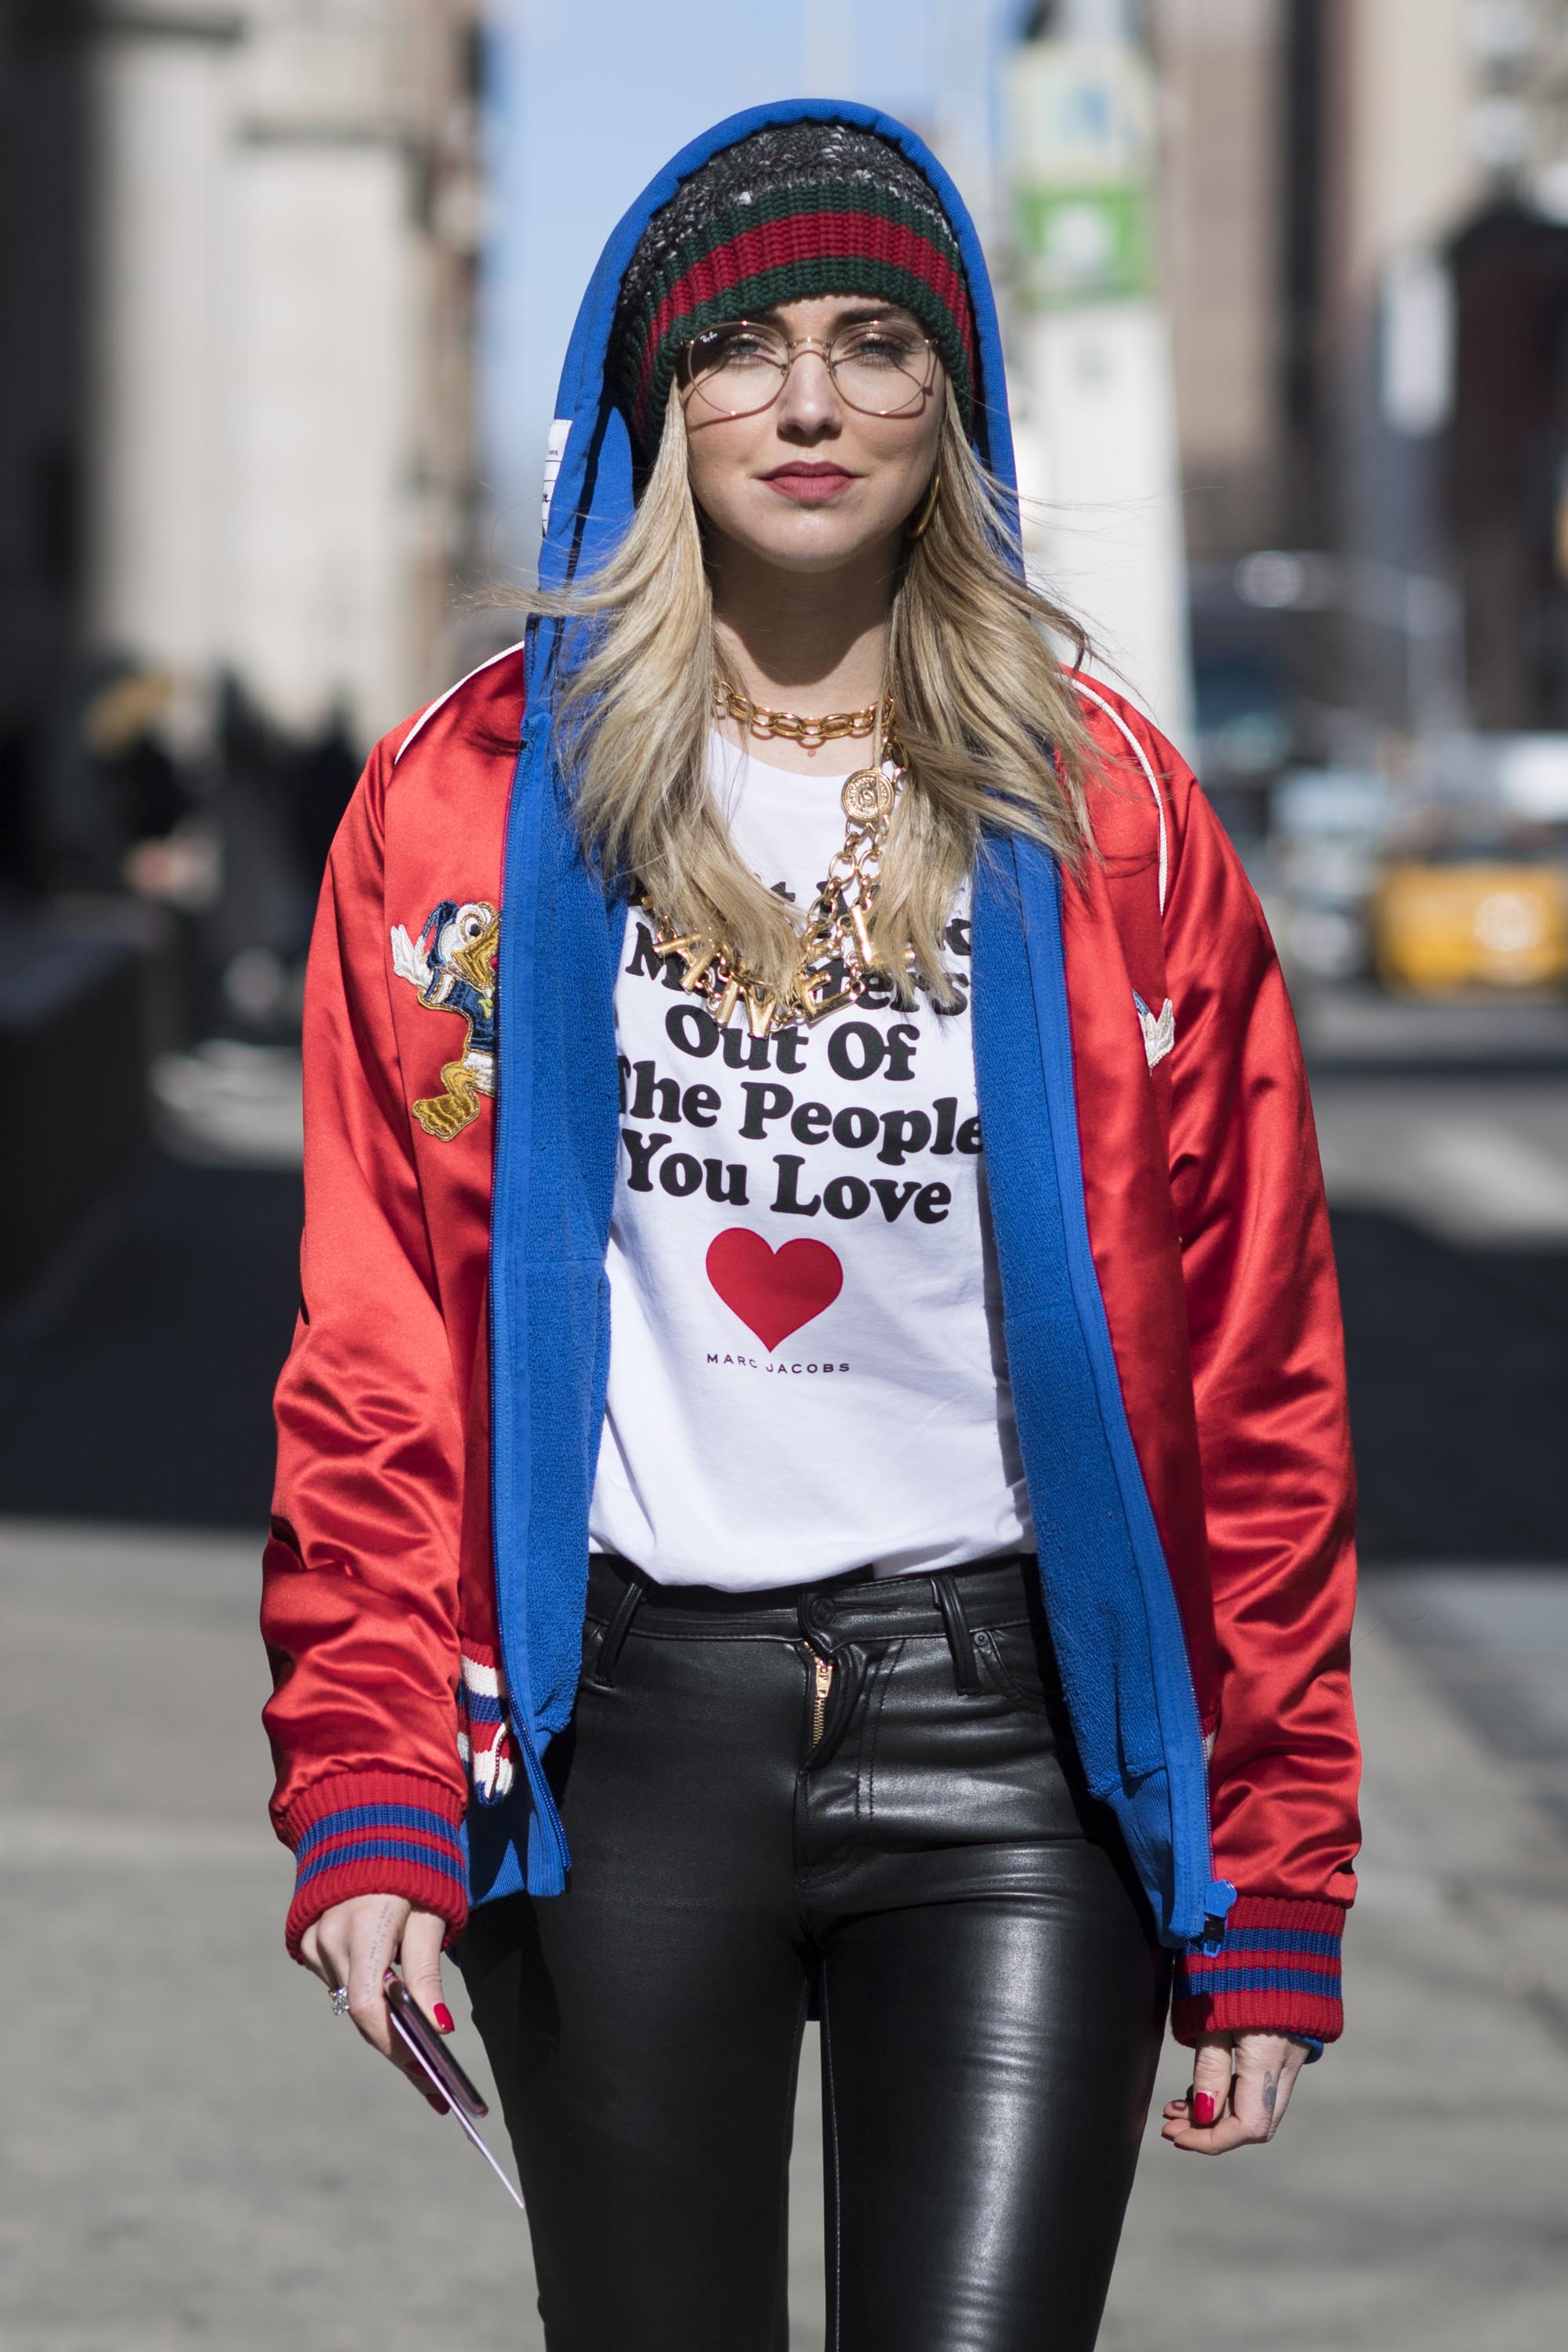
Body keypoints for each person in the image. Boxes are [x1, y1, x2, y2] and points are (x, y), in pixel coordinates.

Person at [261, 103, 1359, 2352]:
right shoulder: (474, 803)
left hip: (1014, 1748)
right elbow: (377, 1357)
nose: (816, 400)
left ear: (951, 399)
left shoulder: (1114, 815)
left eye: (878, 344)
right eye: (752, 347)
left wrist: (1272, 1867)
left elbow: (1256, 1385)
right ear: (667, 397)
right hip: (623, 1740)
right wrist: (373, 1787)